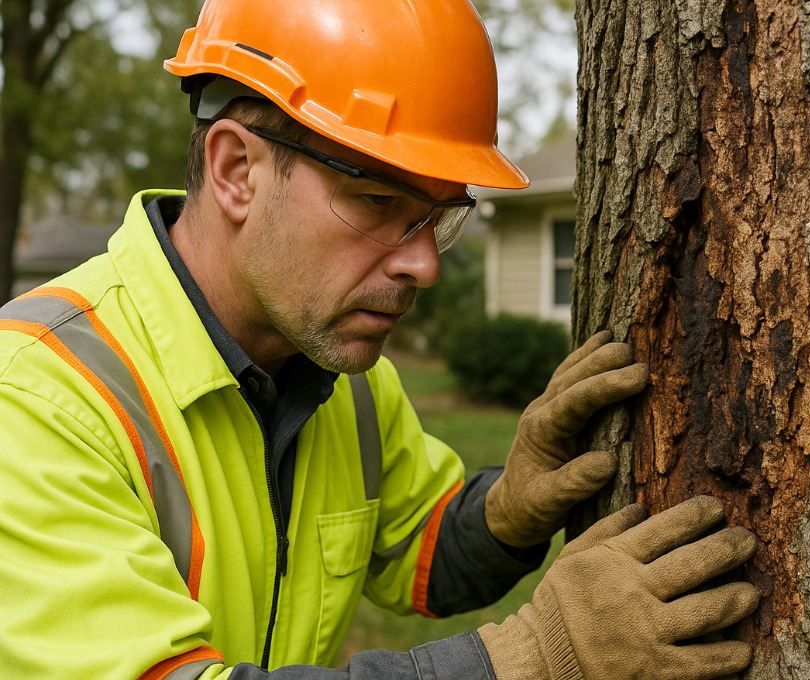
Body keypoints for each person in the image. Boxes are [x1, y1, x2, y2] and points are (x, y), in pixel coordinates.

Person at [0, 0, 760, 678]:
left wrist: (507, 510)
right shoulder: (34, 397)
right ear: (236, 170)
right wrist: (537, 655)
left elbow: (419, 551)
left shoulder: (345, 380)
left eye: (438, 218)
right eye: (375, 200)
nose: (425, 263)